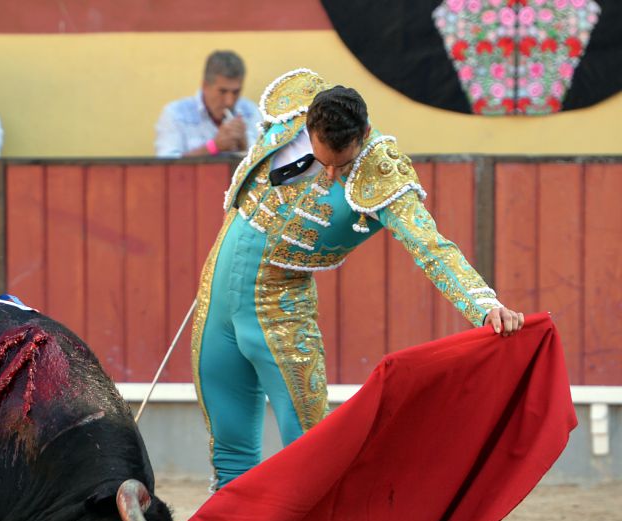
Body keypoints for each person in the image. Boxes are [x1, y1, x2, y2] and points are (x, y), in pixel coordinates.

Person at [192, 68, 526, 489]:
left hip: (279, 310)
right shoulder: (292, 108)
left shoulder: (382, 171)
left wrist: (484, 305)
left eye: (343, 163)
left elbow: (430, 246)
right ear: (308, 127)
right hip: (215, 296)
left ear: (364, 134)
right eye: (323, 160)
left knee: (310, 453)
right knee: (229, 451)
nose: (331, 174)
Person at [155, 50, 262, 158]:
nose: (229, 101)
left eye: (236, 92)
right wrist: (213, 147)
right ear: (205, 86)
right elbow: (167, 164)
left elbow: (267, 162)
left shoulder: (251, 112)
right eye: (222, 92)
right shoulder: (175, 114)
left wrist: (245, 146)